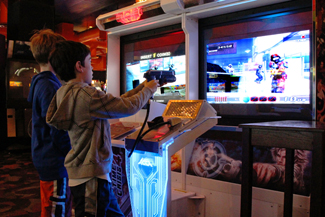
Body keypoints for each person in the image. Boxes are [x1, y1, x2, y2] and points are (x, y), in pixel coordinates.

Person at [46, 40, 159, 217]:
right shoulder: (86, 95)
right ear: (79, 66)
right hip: (91, 176)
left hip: (87, 173)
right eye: (90, 61)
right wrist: (149, 91)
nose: (92, 67)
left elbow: (116, 103)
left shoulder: (65, 92)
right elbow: (127, 107)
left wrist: (142, 88)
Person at [27, 29, 72, 217]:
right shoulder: (50, 86)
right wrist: (73, 153)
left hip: (47, 157)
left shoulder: (40, 81)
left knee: (53, 205)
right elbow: (56, 126)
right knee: (56, 208)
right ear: (54, 54)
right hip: (55, 161)